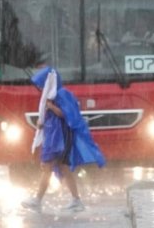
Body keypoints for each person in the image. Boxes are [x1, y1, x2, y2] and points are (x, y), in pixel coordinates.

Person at [22, 66, 106, 212]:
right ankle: (75, 200)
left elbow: (67, 114)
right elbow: (52, 119)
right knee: (63, 167)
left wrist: (50, 107)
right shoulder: (51, 97)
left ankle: (38, 200)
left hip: (61, 138)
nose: (41, 88)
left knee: (47, 166)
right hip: (54, 138)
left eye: (42, 85)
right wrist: (42, 124)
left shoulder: (61, 94)